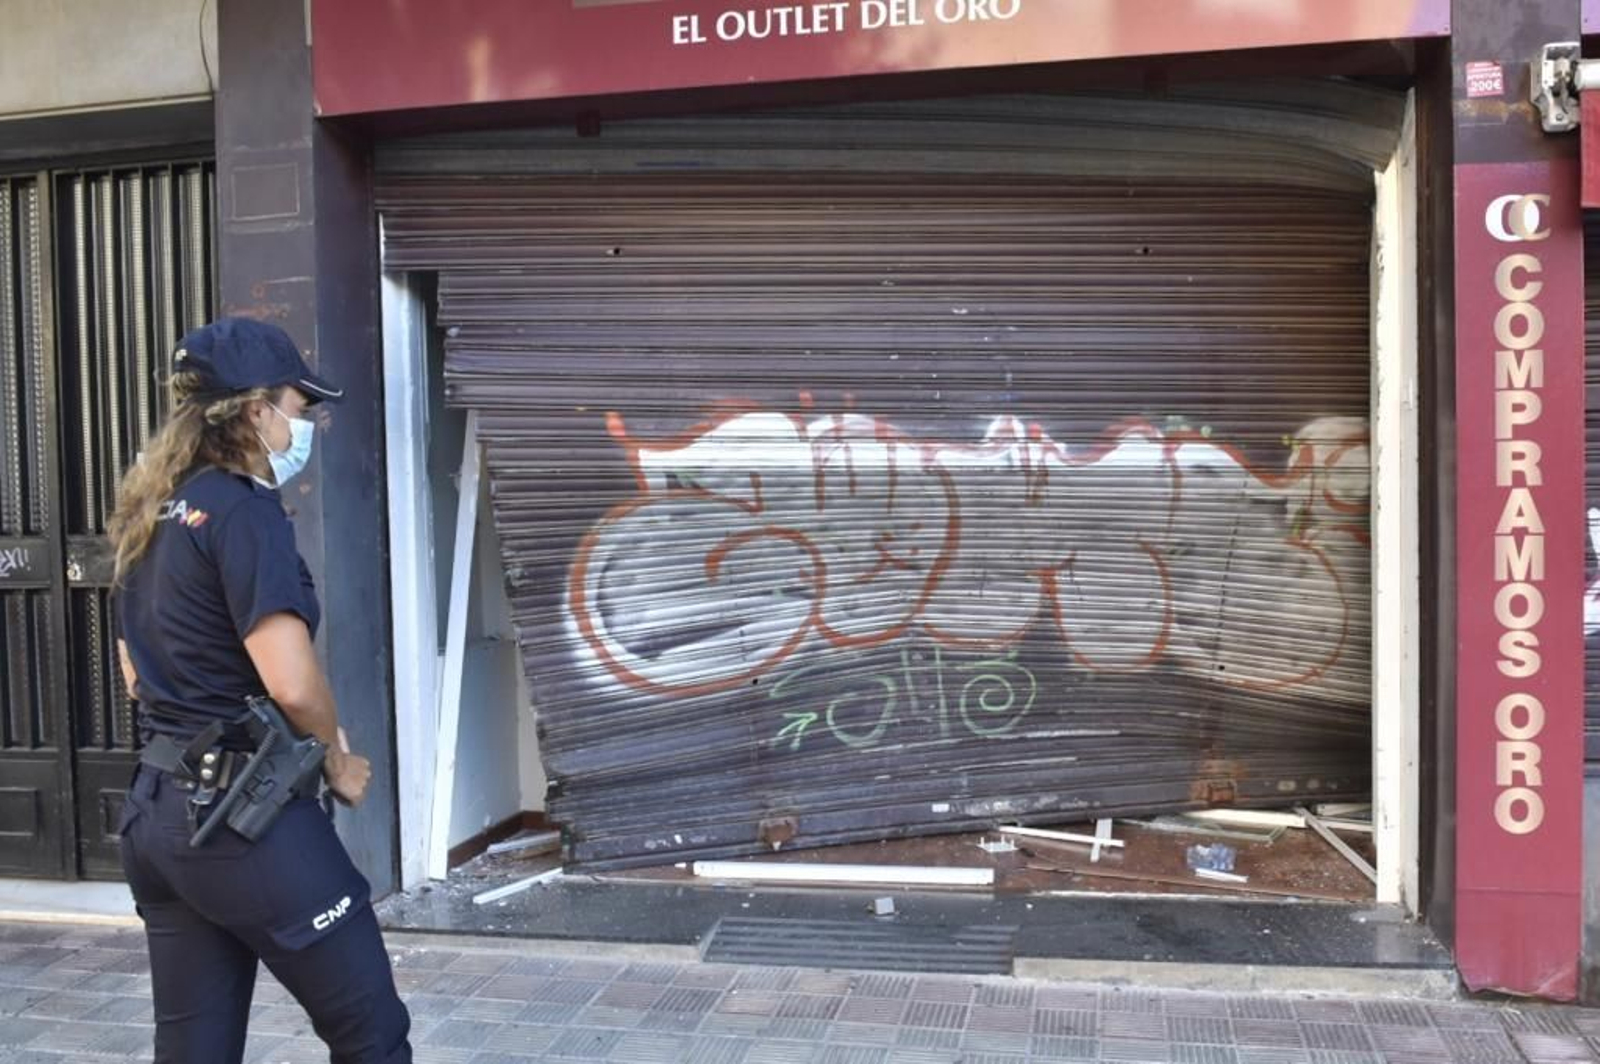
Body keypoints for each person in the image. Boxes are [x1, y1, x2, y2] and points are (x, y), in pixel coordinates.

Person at [109, 318, 412, 1064]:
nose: (302, 426)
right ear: (255, 409)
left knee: (195, 1049)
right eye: (298, 407)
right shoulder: (243, 512)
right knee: (373, 1034)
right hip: (245, 822)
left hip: (160, 816)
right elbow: (292, 682)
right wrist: (337, 761)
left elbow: (134, 674)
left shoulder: (153, 512)